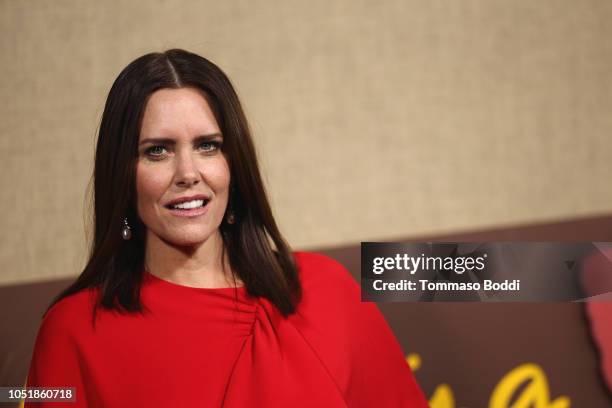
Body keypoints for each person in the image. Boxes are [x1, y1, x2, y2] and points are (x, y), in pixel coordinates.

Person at [25, 49, 428, 407]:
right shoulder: (73, 331)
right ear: (122, 174)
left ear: (233, 164)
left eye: (208, 146)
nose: (187, 173)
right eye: (157, 151)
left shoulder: (327, 291)